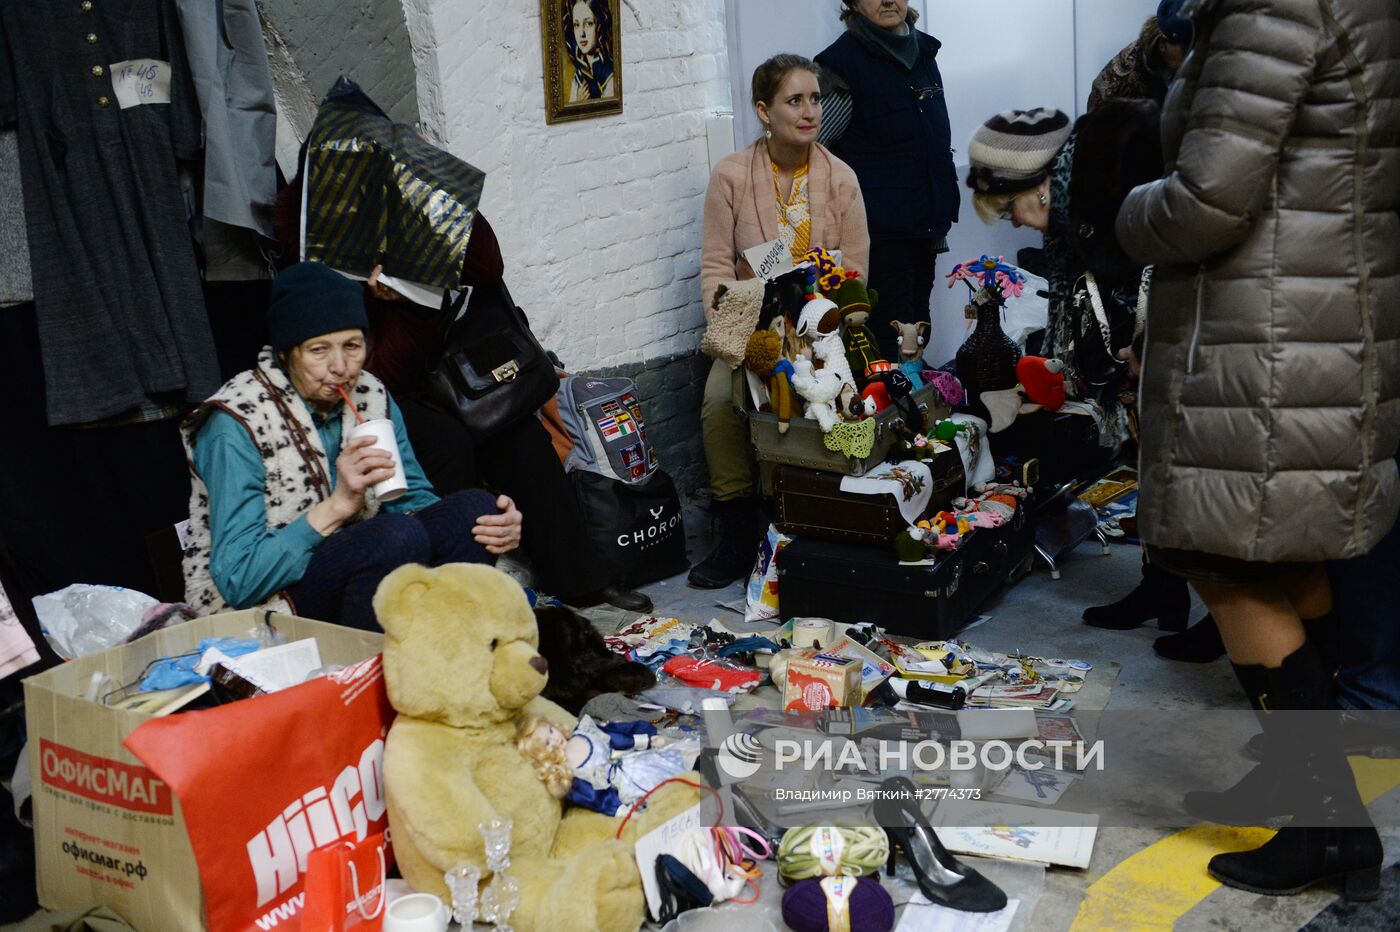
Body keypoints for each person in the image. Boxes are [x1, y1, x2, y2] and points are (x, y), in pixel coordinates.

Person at [1115, 0, 1399, 898]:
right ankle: (1296, 781)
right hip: (1318, 319)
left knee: (1227, 563)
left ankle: (1327, 830)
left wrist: (1123, 209)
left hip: (1263, 335)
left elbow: (1207, 200)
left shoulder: (1276, 4)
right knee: (1285, 561)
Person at [271, 176, 653, 613]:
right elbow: (372, 374)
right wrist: (398, 303)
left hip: (462, 368)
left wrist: (435, 189)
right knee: (445, 441)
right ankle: (459, 586)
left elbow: (488, 267)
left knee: (521, 436)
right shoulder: (316, 215)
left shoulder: (417, 189)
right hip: (388, 385)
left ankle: (583, 581)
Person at [180, 262, 522, 631]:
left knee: (474, 513)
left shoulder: (369, 394)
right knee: (394, 536)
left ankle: (446, 648)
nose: (341, 367)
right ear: (285, 354)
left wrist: (495, 525)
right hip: (264, 602)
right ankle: (376, 664)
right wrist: (339, 506)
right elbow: (240, 582)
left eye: (352, 346)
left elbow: (412, 500)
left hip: (360, 561)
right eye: (319, 350)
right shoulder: (235, 424)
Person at [690, 53, 870, 588]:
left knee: (825, 402)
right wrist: (737, 335)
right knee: (719, 403)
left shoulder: (842, 179)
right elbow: (716, 266)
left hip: (821, 329)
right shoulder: (731, 175)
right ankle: (737, 529)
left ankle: (804, 523)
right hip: (749, 326)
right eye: (795, 101)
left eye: (815, 99)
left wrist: (823, 329)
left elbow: (856, 274)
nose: (810, 111)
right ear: (764, 111)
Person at [1078, 0, 1221, 657]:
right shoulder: (1126, 79)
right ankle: (1162, 586)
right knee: (1153, 448)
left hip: (1199, 270)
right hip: (1149, 256)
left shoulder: (1230, 71)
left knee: (1205, 463)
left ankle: (1229, 609)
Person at [964, 102, 1160, 457]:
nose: (1016, 223)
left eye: (1008, 210)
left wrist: (1148, 349)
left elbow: (1176, 280)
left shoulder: (1117, 191)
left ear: (1037, 186)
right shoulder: (1074, 219)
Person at [816, 0, 959, 360]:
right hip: (876, 239)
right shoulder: (840, 65)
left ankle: (915, 394)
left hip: (925, 224)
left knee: (918, 331)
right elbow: (814, 151)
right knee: (887, 342)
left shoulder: (923, 52)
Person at [1085, 3, 1191, 112]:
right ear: (1163, 45)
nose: (1191, 56)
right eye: (1186, 50)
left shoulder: (1168, 60)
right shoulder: (1117, 88)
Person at [564, 0, 615, 102]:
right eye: (576, 25)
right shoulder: (578, 76)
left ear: (599, 25)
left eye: (588, 23)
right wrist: (578, 101)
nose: (581, 33)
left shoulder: (610, 73)